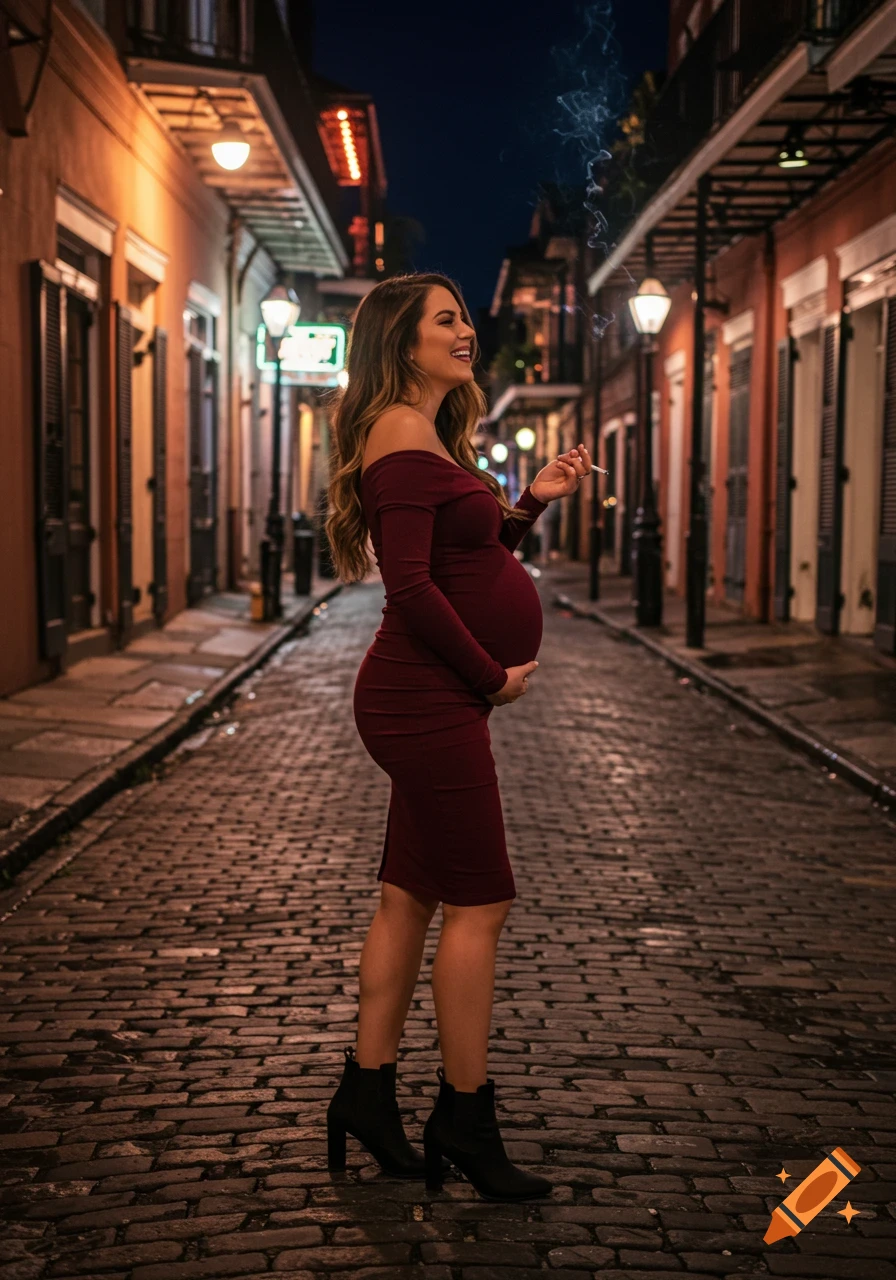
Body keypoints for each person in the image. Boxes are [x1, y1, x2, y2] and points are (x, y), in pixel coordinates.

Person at [323, 272, 592, 1201]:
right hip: (423, 700)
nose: (467, 329)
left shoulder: (423, 436)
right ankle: (464, 1119)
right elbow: (407, 587)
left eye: (466, 315)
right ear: (402, 341)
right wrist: (488, 678)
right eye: (446, 319)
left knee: (409, 896)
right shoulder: (400, 435)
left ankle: (366, 1095)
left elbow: (463, 558)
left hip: (432, 697)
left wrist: (529, 504)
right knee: (482, 904)